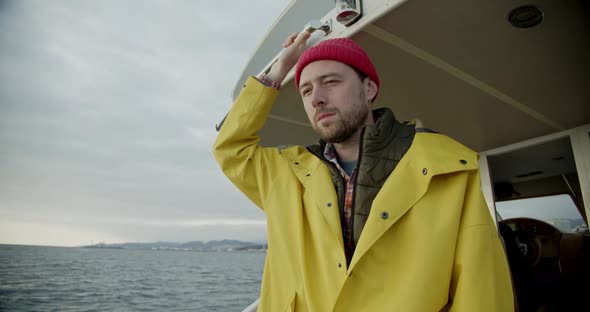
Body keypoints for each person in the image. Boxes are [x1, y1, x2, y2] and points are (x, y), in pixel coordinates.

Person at [213, 31, 514, 311]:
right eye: (306, 90)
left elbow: (481, 290)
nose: (316, 98)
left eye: (330, 82)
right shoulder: (284, 174)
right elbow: (230, 147)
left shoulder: (448, 168)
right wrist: (279, 69)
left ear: (369, 88)